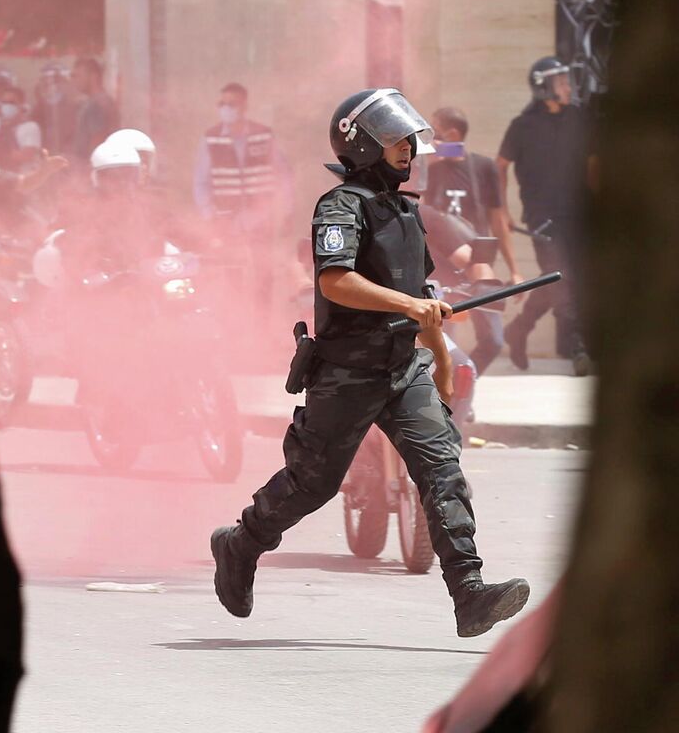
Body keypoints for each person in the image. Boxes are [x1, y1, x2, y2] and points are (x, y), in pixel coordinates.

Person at [210, 88, 530, 638]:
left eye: (409, 138)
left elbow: (422, 297)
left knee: (443, 471)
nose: (408, 147)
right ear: (362, 145)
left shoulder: (405, 212)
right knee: (312, 484)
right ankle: (241, 543)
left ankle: (470, 594)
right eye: (395, 139)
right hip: (347, 372)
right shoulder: (340, 206)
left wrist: (437, 354)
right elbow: (337, 281)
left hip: (404, 369)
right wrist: (409, 305)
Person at [496, 57, 594, 373]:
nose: (567, 86)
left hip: (579, 214)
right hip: (543, 219)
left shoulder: (579, 118)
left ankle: (519, 328)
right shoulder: (522, 126)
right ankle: (578, 348)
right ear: (543, 87)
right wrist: (503, 211)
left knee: (560, 278)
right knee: (562, 279)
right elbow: (500, 167)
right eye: (561, 81)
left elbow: (593, 163)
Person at [192, 82, 293, 328]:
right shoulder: (211, 138)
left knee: (263, 274)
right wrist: (209, 216)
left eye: (232, 103)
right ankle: (235, 327)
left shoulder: (263, 136)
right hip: (226, 221)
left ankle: (261, 326)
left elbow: (283, 175)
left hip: (260, 218)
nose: (226, 109)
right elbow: (201, 182)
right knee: (231, 274)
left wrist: (284, 210)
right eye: (222, 103)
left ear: (244, 106)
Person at [423, 106, 516, 369]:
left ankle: (465, 380)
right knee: (444, 344)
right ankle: (448, 389)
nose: (430, 139)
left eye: (435, 132)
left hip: (477, 266)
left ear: (452, 134)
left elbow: (498, 221)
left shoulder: (484, 167)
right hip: (441, 270)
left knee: (493, 340)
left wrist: (514, 270)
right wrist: (427, 162)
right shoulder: (430, 169)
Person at [68, 57, 117, 164]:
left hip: (89, 167)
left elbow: (98, 140)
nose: (75, 80)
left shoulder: (97, 104)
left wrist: (86, 167)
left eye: (78, 76)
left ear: (93, 76)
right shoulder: (96, 101)